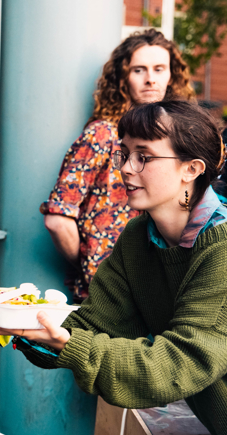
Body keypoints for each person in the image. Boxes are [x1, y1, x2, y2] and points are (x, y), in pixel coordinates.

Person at [0, 100, 227, 435]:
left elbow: (178, 363)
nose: (126, 169)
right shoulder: (137, 238)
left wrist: (69, 343)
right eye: (124, 153)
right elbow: (92, 326)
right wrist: (6, 319)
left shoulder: (220, 248)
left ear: (191, 168)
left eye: (143, 156)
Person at [41, 29, 195, 302]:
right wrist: (95, 266)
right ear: (123, 78)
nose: (150, 79)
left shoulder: (181, 138)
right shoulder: (103, 134)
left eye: (159, 69)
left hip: (166, 289)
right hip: (109, 297)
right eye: (139, 70)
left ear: (172, 75)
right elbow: (57, 219)